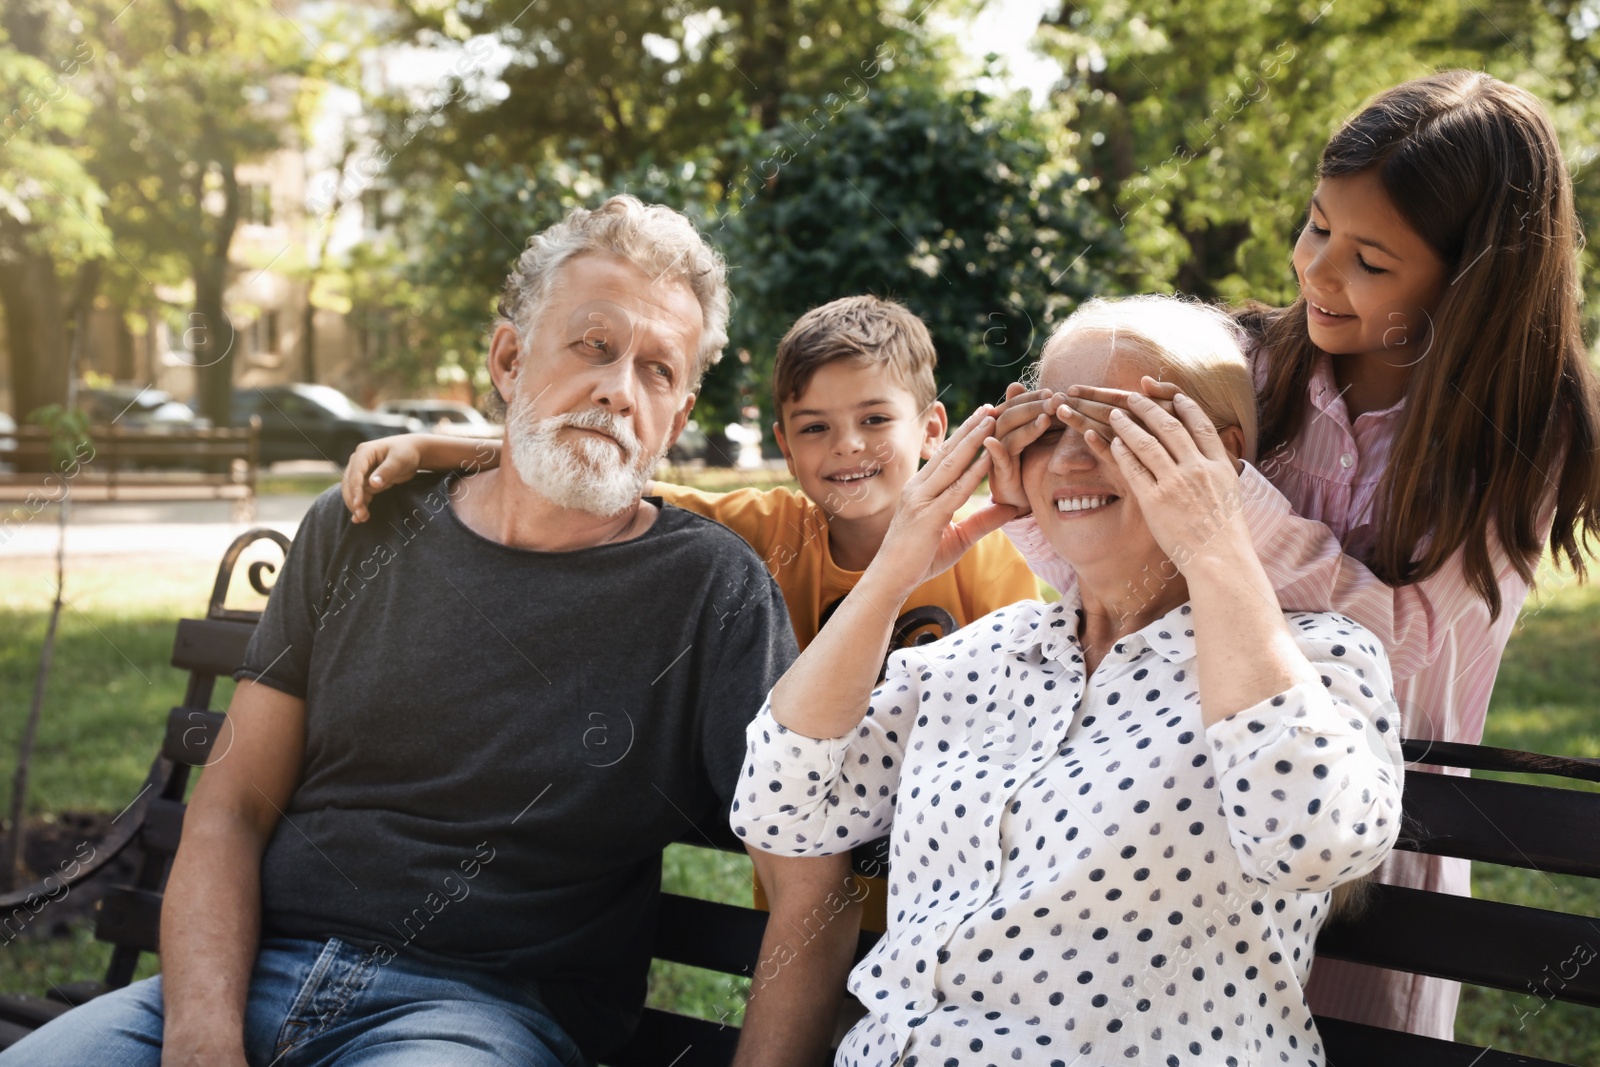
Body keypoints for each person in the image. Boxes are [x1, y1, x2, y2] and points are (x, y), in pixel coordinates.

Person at [0, 196, 855, 1067]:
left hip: (476, 1020)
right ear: (510, 357)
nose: (617, 388)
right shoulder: (361, 525)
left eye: (658, 371)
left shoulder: (709, 592)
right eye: (593, 346)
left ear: (677, 418)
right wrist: (201, 1040)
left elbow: (811, 882)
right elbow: (228, 811)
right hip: (238, 978)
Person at [990, 70, 1600, 1040]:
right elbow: (1120, 583)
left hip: (1374, 839)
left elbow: (1411, 647)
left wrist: (1224, 511)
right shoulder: (1246, 367)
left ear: (1468, 280)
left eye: (1368, 259)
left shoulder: (1521, 437)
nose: (1315, 272)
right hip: (1185, 813)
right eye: (1316, 227)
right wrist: (1040, 495)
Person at [732, 294, 1405, 1067]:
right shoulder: (973, 658)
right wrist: (892, 574)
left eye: (1117, 425)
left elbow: (1309, 842)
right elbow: (782, 805)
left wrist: (1215, 540)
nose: (1071, 456)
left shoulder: (1319, 657)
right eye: (1048, 426)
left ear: (1216, 456)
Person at [341, 294, 1042, 936]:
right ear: (785, 444)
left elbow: (1022, 734)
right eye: (815, 427)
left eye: (875, 419)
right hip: (813, 897)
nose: (847, 445)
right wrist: (432, 449)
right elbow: (602, 464)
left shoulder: (986, 555)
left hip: (954, 903)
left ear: (931, 428)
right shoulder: (769, 528)